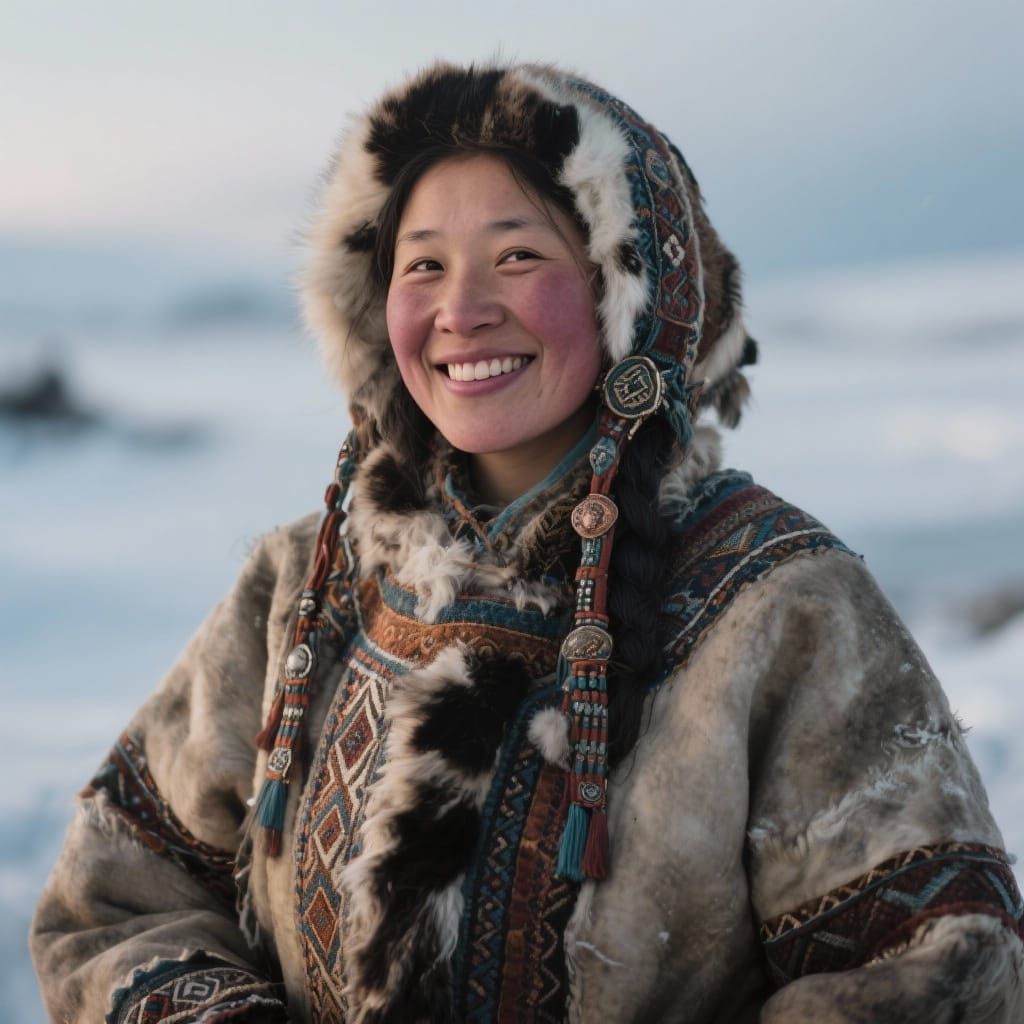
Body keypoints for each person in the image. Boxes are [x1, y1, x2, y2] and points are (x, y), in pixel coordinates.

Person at [31, 62, 1023, 1024]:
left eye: (517, 256)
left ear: (627, 296)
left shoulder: (784, 604)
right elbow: (114, 900)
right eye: (422, 264)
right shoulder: (302, 584)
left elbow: (943, 966)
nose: (461, 311)